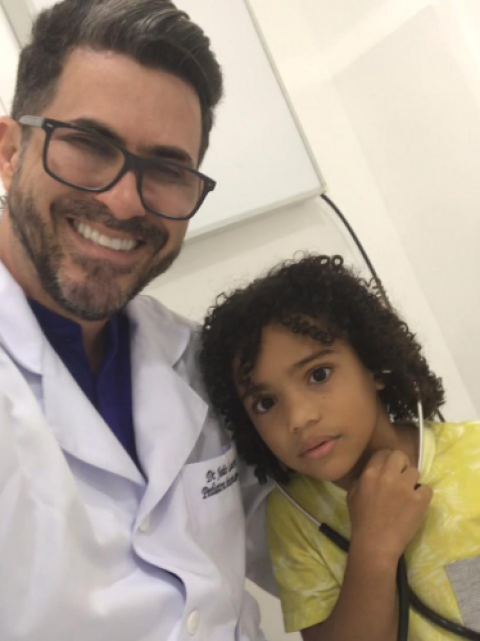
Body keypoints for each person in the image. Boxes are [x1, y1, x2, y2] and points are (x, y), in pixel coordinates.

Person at [0, 1, 273, 639]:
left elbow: (304, 528)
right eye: (89, 145)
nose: (124, 202)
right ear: (9, 150)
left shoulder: (199, 359)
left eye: (168, 170)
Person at [199, 253, 480, 641]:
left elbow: (473, 610)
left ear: (373, 364)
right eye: (265, 403)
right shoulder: (293, 519)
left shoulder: (471, 458)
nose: (297, 418)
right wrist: (374, 548)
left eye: (318, 375)